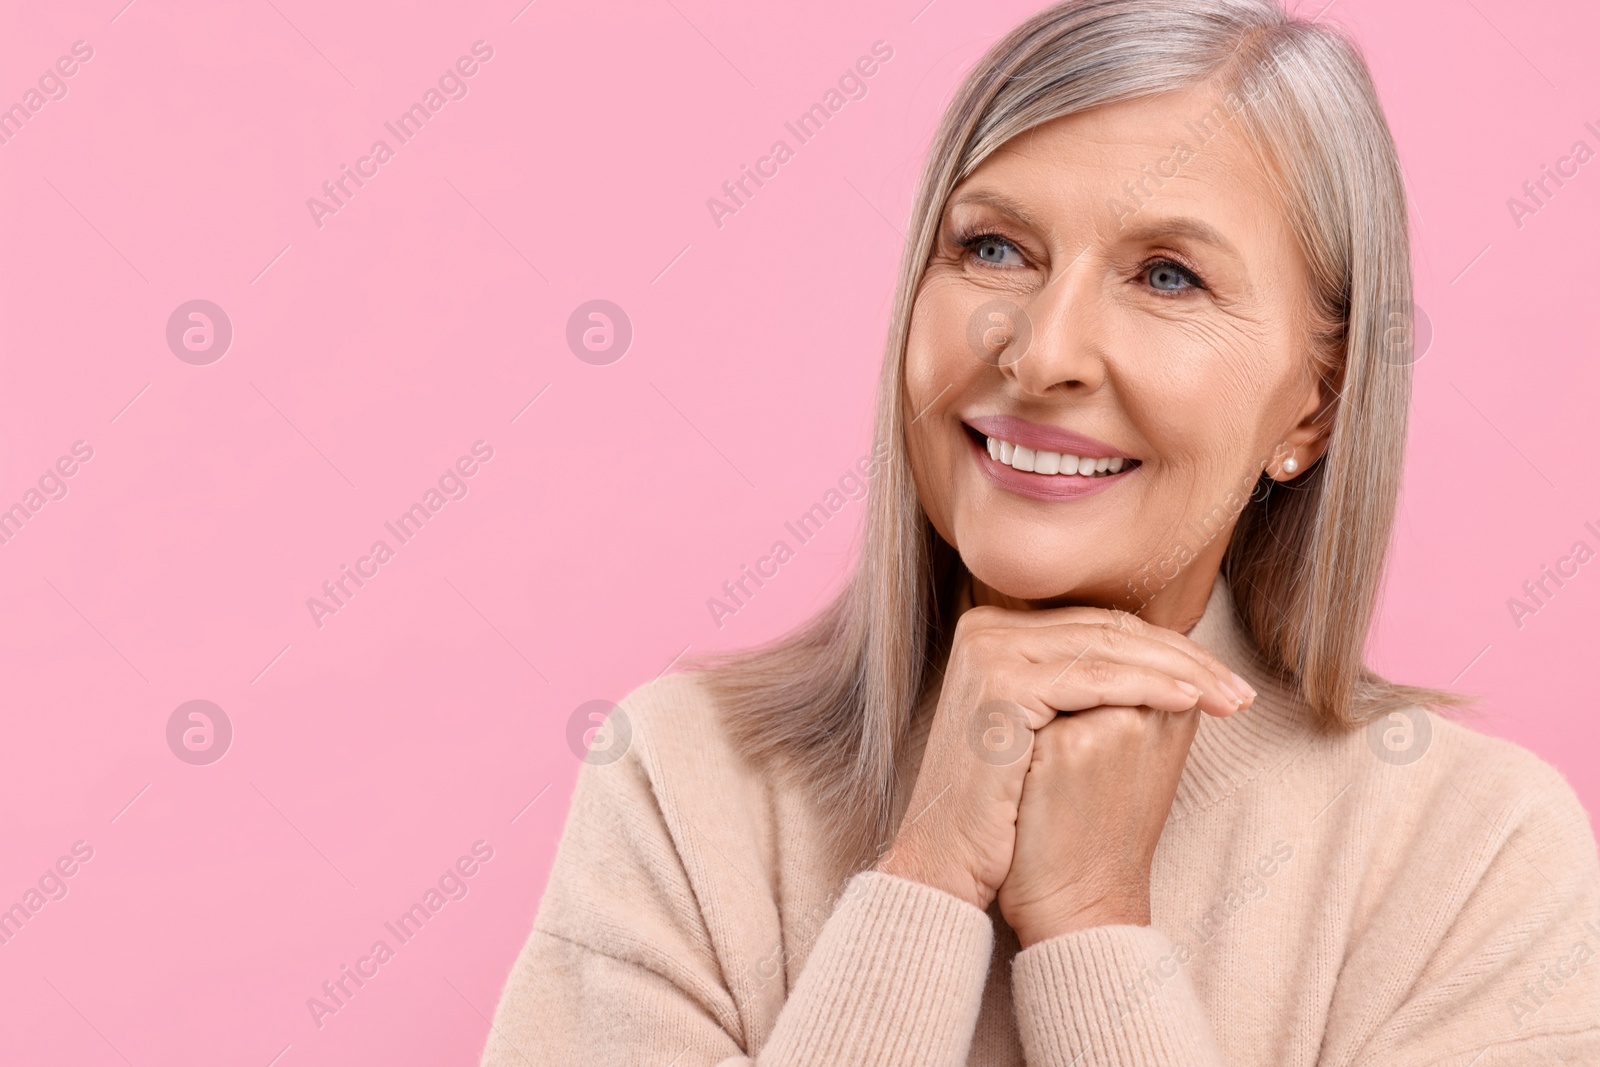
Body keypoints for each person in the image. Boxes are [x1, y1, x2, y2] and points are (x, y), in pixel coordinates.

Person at [481, 0, 1600, 1062]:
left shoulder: (1472, 856)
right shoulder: (684, 778)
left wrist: (1090, 927)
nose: (1039, 351)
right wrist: (923, 879)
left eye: (1167, 275)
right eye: (995, 249)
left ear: (1314, 401)